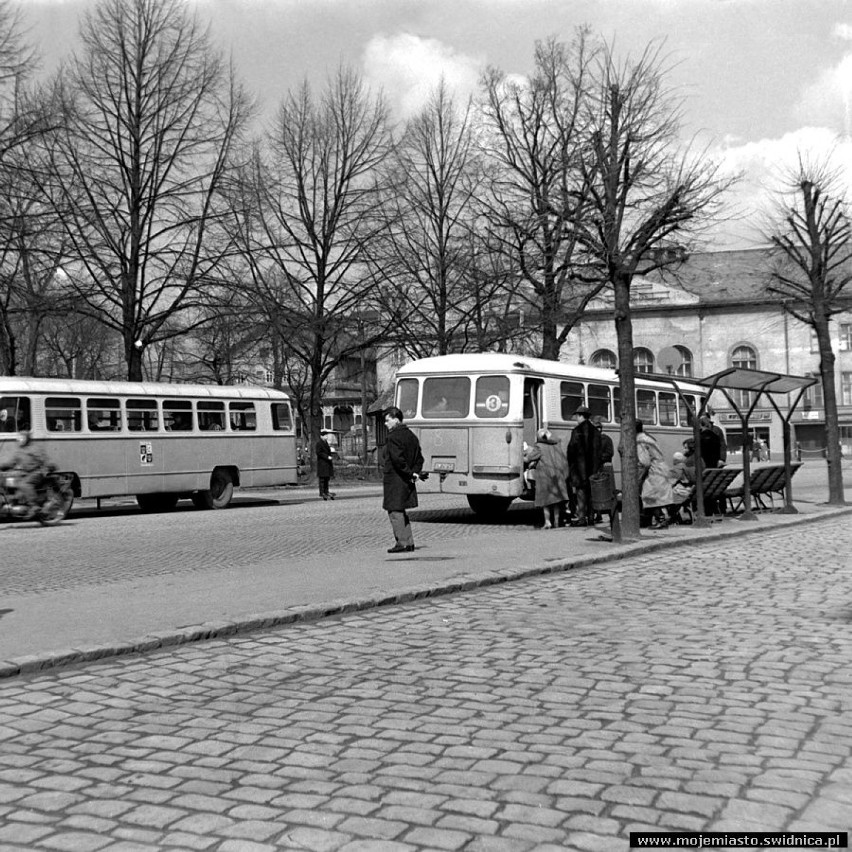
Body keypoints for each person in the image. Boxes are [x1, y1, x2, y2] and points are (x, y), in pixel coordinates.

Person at [383, 407, 424, 553]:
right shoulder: (411, 436)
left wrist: (407, 473)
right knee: (401, 510)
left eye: (387, 420)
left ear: (396, 419)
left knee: (394, 511)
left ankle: (402, 543)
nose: (385, 424)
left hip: (395, 479)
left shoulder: (393, 437)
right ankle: (409, 542)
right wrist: (414, 473)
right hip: (407, 480)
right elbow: (420, 459)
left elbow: (397, 460)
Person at [0, 431, 56, 513]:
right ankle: (13, 500)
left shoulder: (34, 448)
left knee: (24, 484)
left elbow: (43, 458)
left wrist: (49, 465)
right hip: (25, 473)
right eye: (18, 437)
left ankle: (34, 505)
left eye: (22, 437)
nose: (19, 439)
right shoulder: (20, 451)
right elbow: (12, 463)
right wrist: (2, 467)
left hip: (36, 472)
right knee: (8, 480)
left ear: (27, 438)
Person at [567, 405, 602, 526]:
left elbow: (571, 451)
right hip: (593, 469)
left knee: (581, 494)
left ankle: (582, 518)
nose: (576, 418)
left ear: (581, 416)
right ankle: (591, 517)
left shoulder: (577, 431)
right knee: (591, 494)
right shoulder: (596, 432)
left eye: (577, 416)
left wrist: (571, 467)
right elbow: (599, 452)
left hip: (579, 469)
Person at [636, 421, 673, 529]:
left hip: (654, 470)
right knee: (657, 496)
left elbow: (645, 462)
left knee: (650, 495)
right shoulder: (648, 437)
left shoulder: (639, 441)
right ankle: (658, 519)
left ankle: (661, 519)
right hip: (661, 468)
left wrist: (638, 477)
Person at [532, 428, 570, 530]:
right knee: (556, 500)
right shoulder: (556, 445)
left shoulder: (539, 447)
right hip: (557, 475)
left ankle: (547, 522)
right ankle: (556, 521)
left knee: (545, 501)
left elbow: (530, 457)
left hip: (545, 475)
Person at [315, 430, 336, 501]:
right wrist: (327, 457)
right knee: (322, 479)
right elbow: (319, 452)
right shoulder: (319, 443)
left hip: (327, 464)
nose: (326, 437)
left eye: (327, 435)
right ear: (322, 436)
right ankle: (322, 492)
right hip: (322, 464)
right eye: (325, 435)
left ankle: (326, 491)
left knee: (327, 479)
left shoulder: (326, 443)